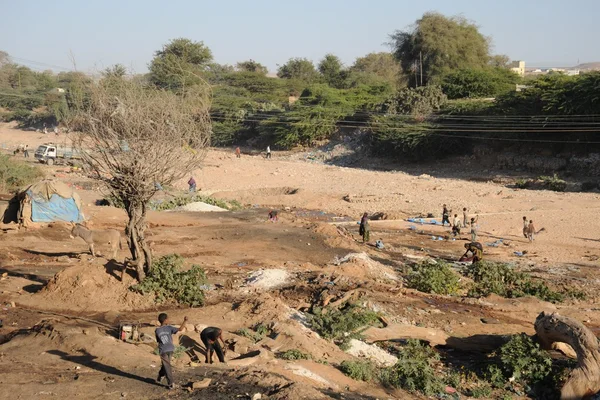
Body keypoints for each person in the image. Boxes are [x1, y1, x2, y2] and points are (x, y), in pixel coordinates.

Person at [155, 313, 188, 389]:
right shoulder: (168, 328)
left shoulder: (157, 330)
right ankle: (171, 384)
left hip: (167, 349)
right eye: (168, 319)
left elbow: (158, 341)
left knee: (166, 365)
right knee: (167, 366)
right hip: (166, 350)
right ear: (166, 320)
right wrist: (185, 321)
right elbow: (180, 329)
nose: (168, 320)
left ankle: (160, 375)